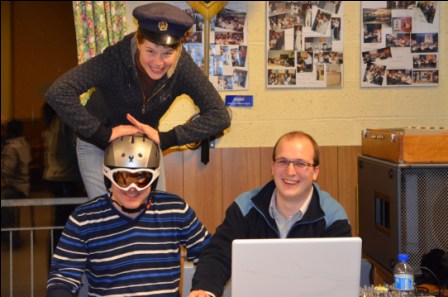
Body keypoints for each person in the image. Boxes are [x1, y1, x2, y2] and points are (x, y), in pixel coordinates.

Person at [45, 2, 231, 199]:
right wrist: (103, 134)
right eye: (150, 51)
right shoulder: (115, 58)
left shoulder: (182, 67)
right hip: (97, 145)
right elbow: (59, 91)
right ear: (138, 42)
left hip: (145, 146)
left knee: (156, 213)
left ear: (177, 50)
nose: (158, 63)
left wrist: (167, 138)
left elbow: (220, 116)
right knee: (106, 213)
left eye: (167, 53)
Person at [188, 131, 352, 297]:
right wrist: (204, 290)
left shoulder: (333, 218)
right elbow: (219, 254)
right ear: (272, 167)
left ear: (315, 171)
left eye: (300, 164)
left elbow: (337, 281)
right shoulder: (244, 207)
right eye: (282, 161)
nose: (290, 171)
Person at [47, 134, 211, 296]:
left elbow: (210, 252)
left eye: (141, 178)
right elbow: (62, 278)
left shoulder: (174, 209)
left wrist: (202, 287)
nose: (132, 188)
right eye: (122, 178)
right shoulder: (84, 218)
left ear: (153, 180)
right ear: (108, 177)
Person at [41, 103, 84, 252]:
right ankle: (60, 260)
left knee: (59, 223)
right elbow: (75, 150)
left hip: (55, 176)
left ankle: (55, 259)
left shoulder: (51, 121)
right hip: (66, 177)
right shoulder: (64, 121)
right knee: (67, 225)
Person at [1, 119, 32, 248]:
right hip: (25, 185)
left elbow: (5, 171)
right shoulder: (24, 143)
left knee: (3, 200)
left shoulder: (11, 148)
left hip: (16, 187)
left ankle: (11, 238)